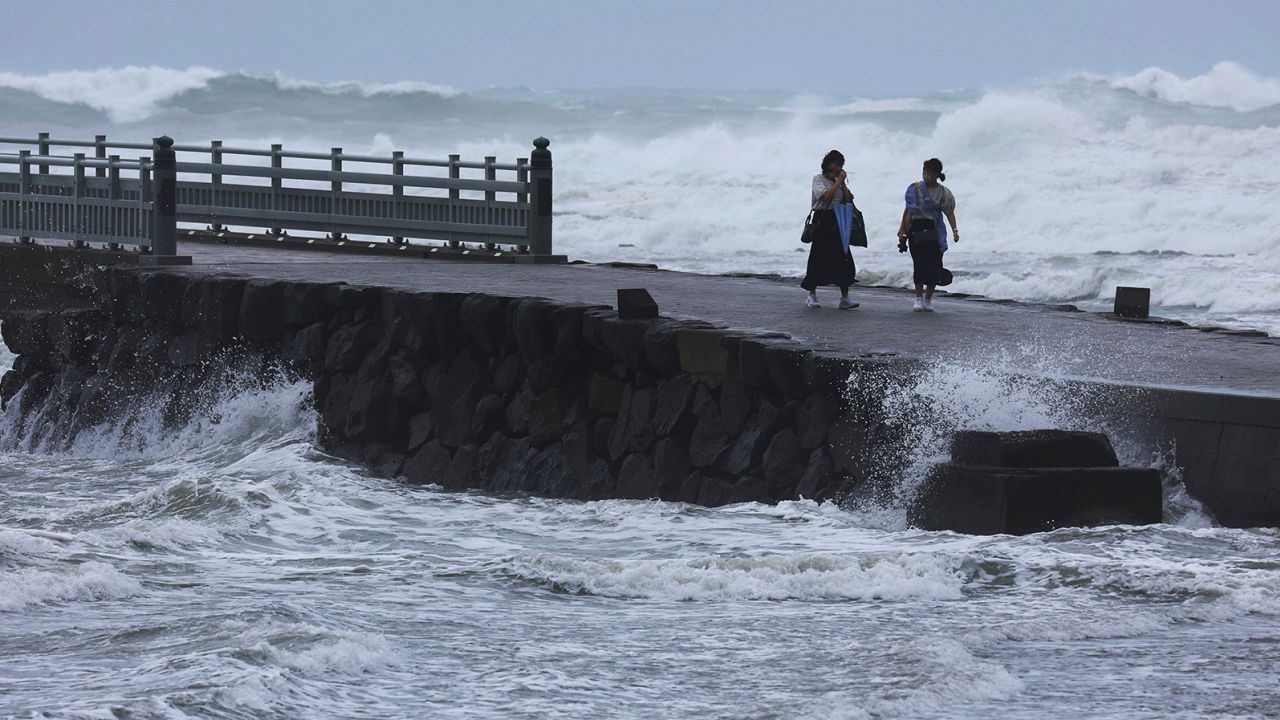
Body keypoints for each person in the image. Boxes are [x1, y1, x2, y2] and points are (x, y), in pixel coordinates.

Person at [896, 158, 958, 312]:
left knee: (935, 266)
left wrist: (955, 231)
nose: (926, 173)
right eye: (924, 170)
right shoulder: (915, 188)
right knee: (919, 265)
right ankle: (918, 299)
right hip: (916, 228)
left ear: (937, 174)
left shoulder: (944, 192)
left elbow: (949, 212)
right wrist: (902, 229)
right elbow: (909, 210)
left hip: (935, 230)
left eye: (930, 171)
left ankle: (928, 300)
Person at [801, 150, 859, 309]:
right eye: (836, 164)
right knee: (818, 257)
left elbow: (848, 200)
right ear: (828, 164)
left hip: (839, 220)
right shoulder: (818, 179)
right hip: (823, 219)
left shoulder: (838, 181)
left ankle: (845, 297)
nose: (839, 167)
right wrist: (837, 181)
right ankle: (811, 295)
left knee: (844, 258)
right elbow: (825, 196)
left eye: (841, 165)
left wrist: (842, 184)